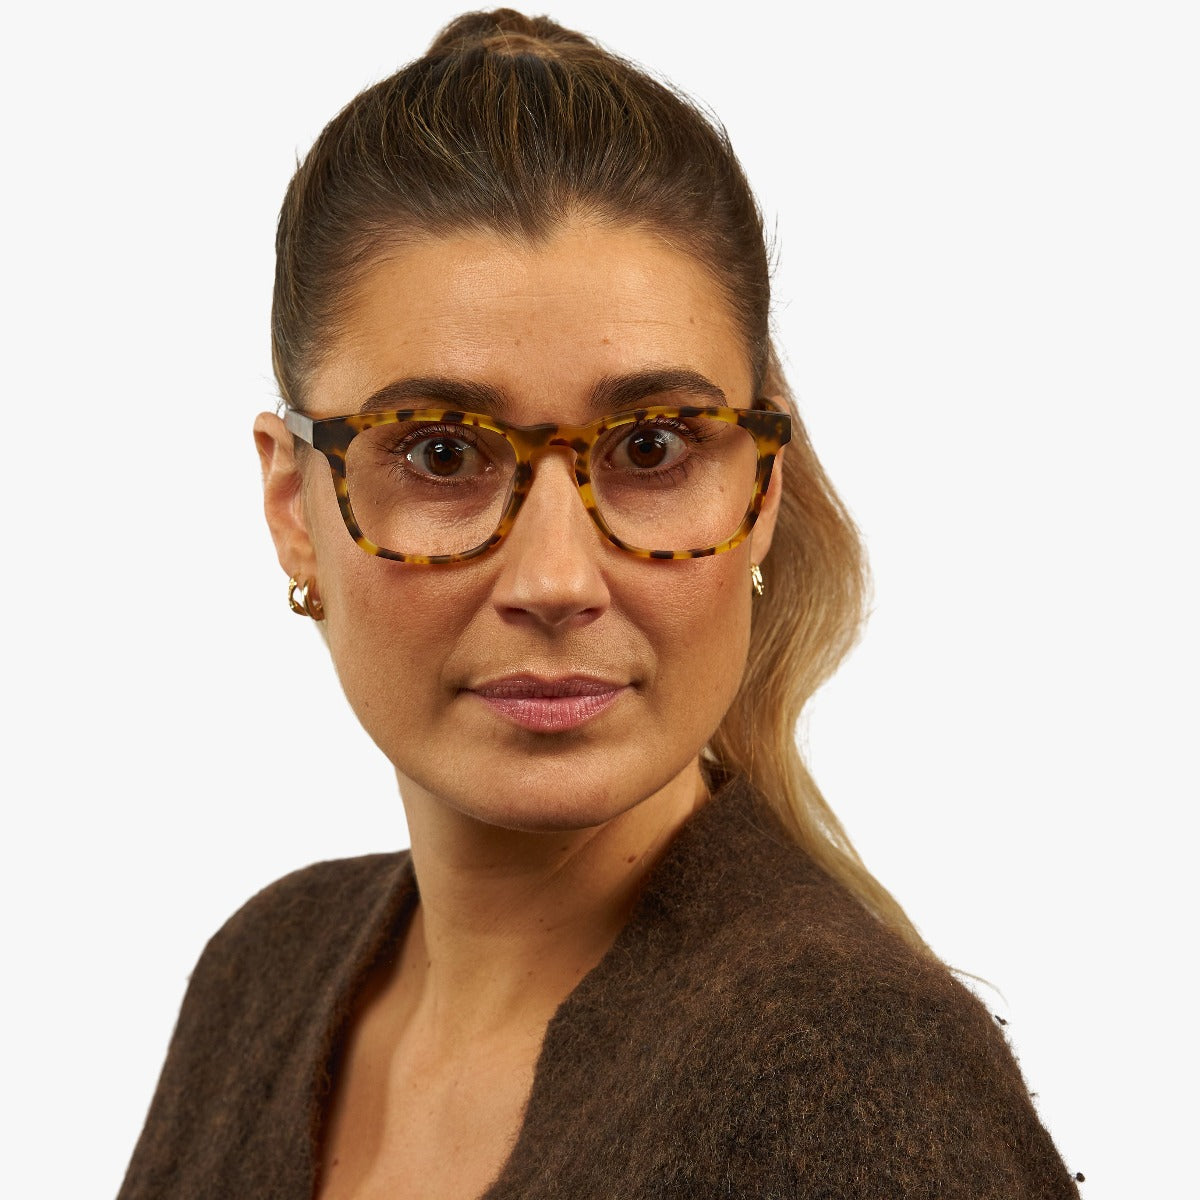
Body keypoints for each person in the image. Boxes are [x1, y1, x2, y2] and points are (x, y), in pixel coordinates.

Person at [119, 9, 1081, 1198]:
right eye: (439, 455)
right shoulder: (264, 973)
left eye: (652, 447)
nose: (556, 582)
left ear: (763, 490)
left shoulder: (849, 1075)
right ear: (292, 504)